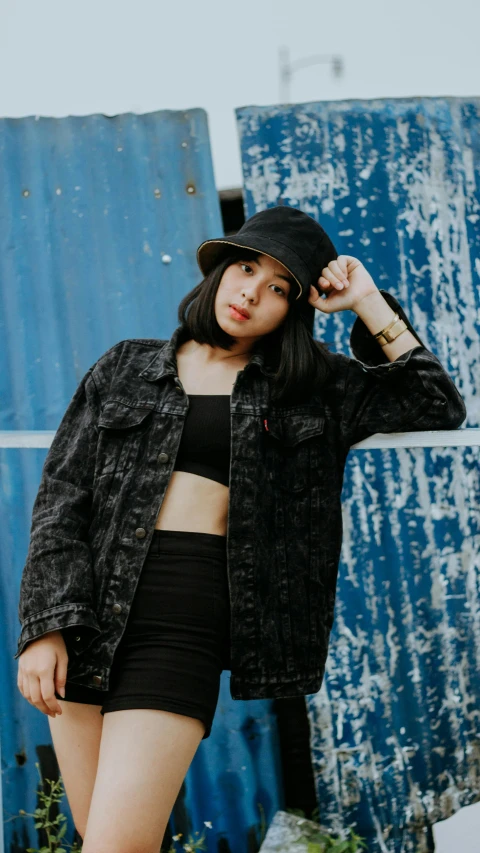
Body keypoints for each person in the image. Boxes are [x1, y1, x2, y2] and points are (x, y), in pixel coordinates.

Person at [14, 206, 466, 852]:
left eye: (279, 286)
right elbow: (61, 497)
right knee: (105, 839)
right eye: (246, 267)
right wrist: (45, 625)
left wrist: (366, 300)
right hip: (88, 615)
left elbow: (436, 401)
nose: (252, 291)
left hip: (183, 624)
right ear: (221, 270)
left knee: (115, 845)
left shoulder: (310, 388)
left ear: (296, 307)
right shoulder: (125, 366)